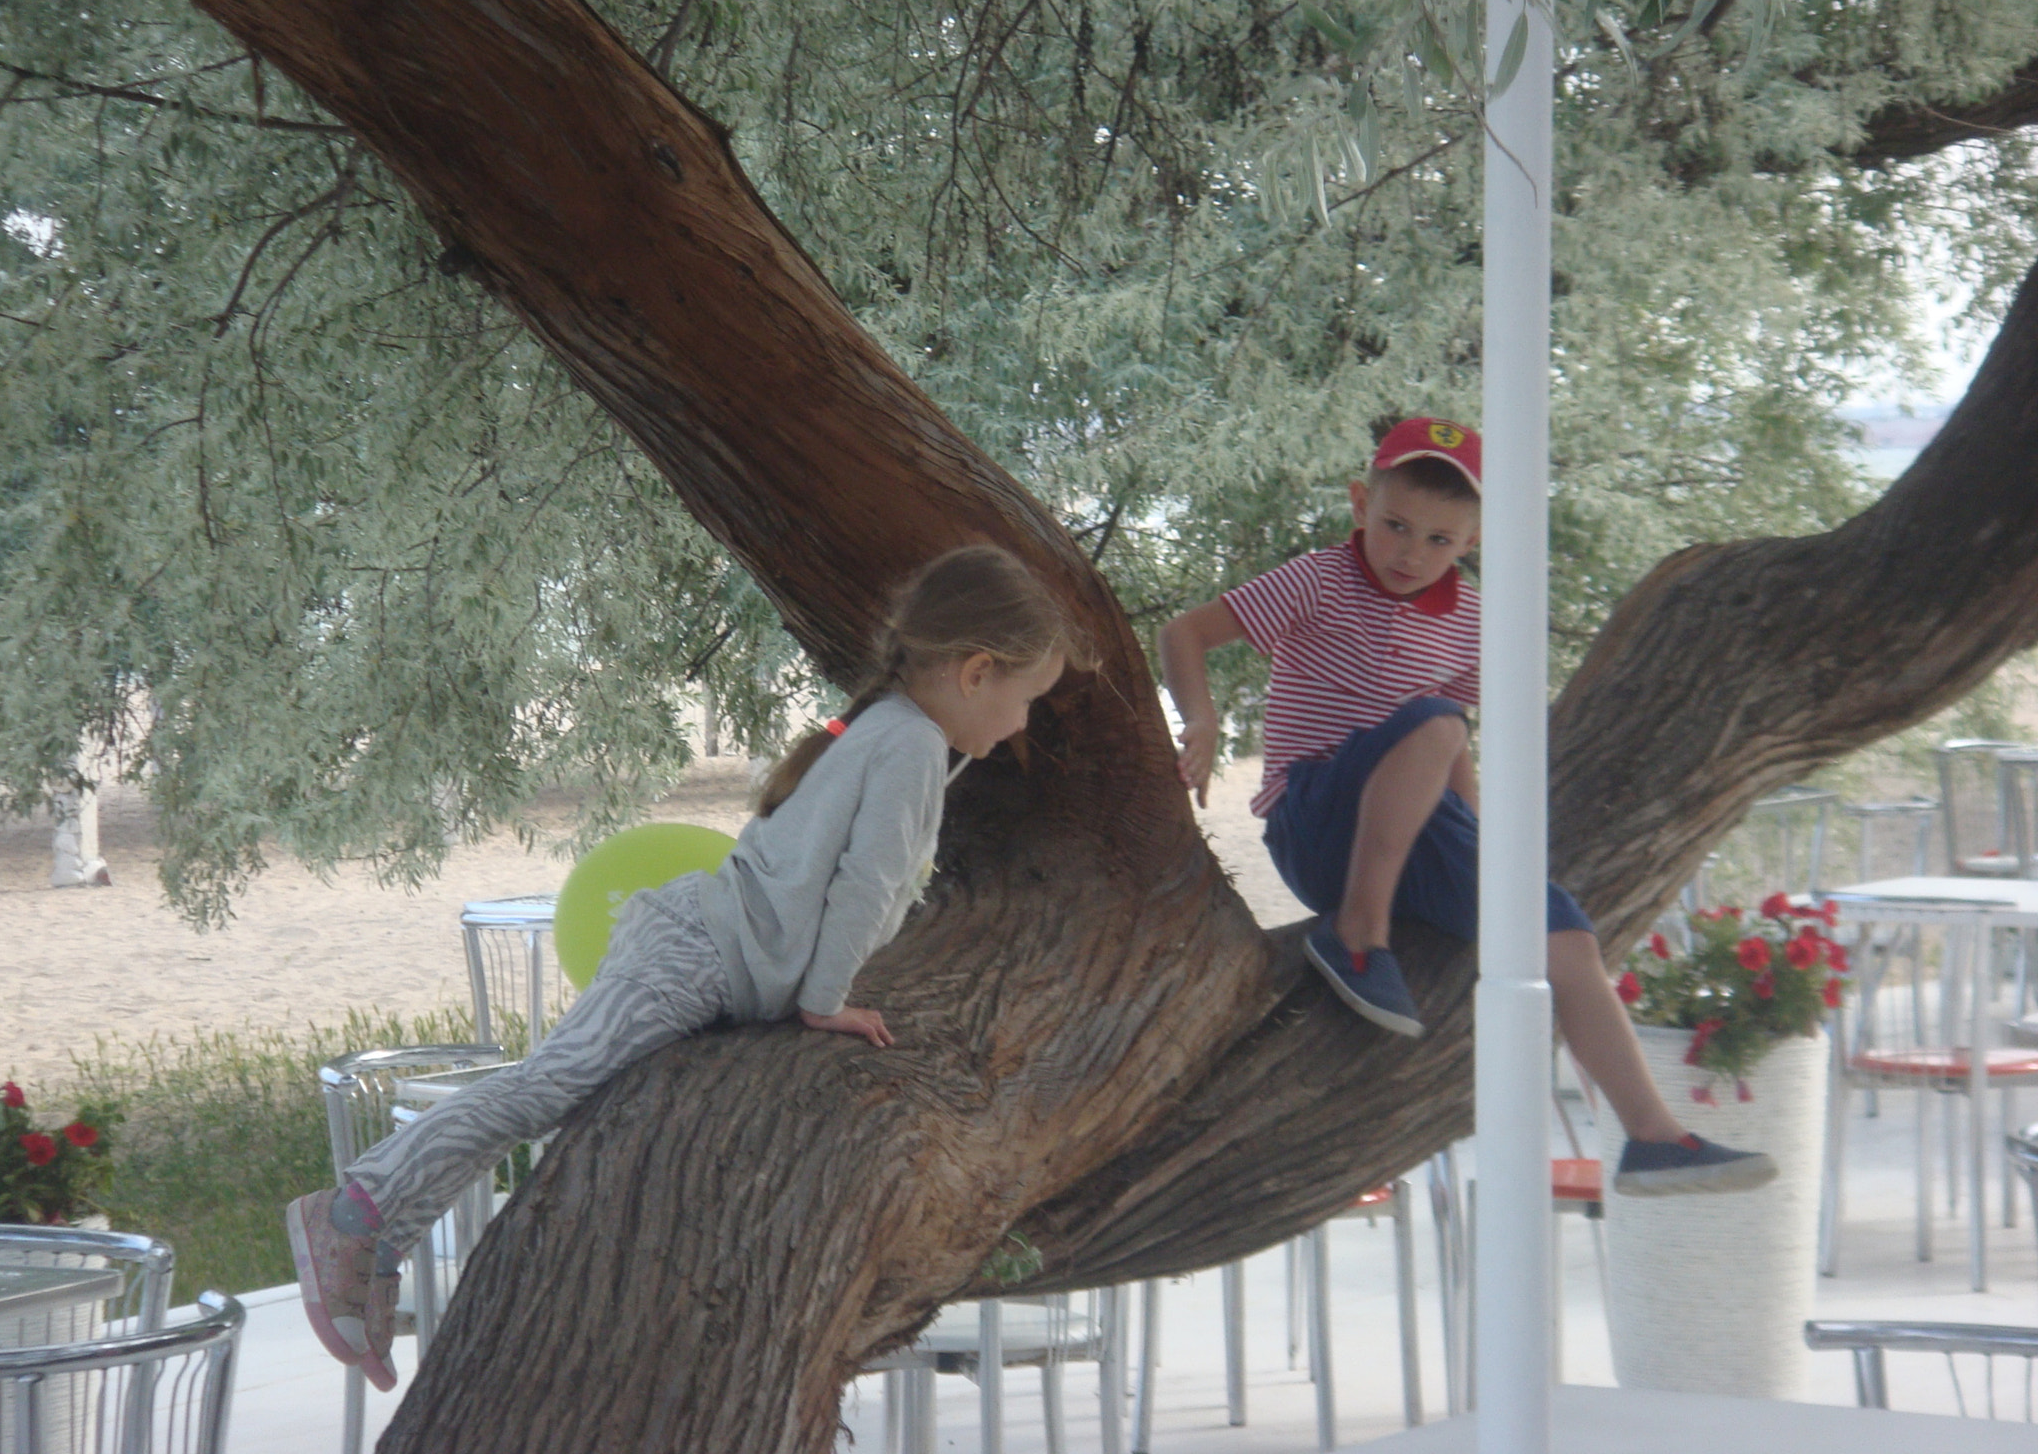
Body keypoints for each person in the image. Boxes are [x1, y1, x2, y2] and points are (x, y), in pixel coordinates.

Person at [287, 545, 1079, 1388]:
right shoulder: (912, 744)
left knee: (547, 1092)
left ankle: (378, 1239)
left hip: (707, 951)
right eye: (1025, 699)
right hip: (694, 953)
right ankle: (355, 1211)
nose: (1022, 723)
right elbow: (868, 881)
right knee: (548, 1086)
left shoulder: (898, 730)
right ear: (976, 671)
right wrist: (824, 1001)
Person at [1158, 418, 1775, 1200]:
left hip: (1410, 827)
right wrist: (1202, 722)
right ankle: (1356, 936)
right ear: (1359, 504)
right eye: (1395, 526)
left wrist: (1477, 843)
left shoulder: (1473, 622)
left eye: (1440, 539)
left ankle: (1653, 1137)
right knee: (1437, 722)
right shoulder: (1317, 579)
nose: (1411, 552)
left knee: (1562, 930)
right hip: (1313, 817)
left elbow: (1446, 755)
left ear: (1473, 541)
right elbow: (1185, 632)